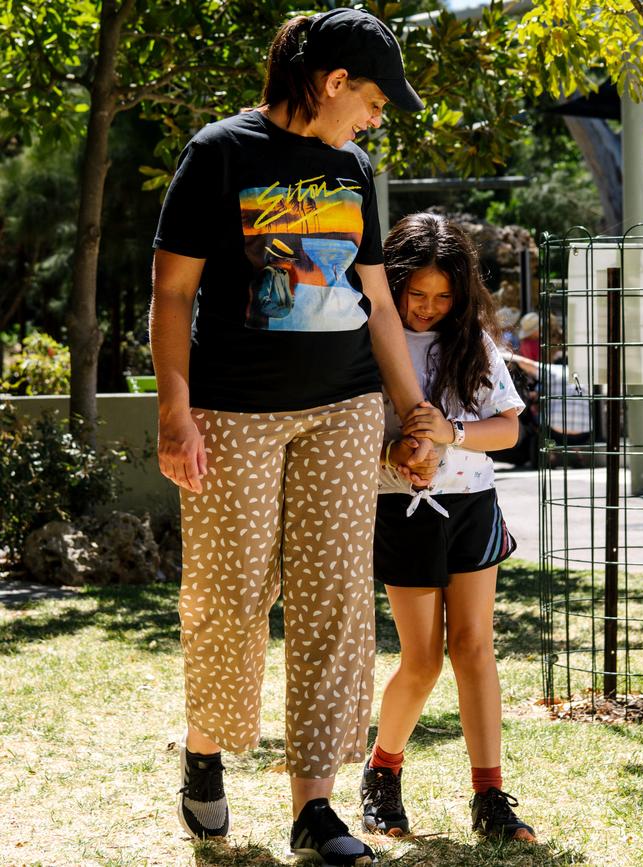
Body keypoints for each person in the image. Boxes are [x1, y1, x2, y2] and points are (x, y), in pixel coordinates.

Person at [150, 9, 435, 866]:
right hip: (235, 409)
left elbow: (377, 302)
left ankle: (314, 805)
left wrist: (412, 409)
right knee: (231, 593)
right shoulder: (219, 153)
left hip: (341, 408)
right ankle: (207, 747)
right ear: (334, 82)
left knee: (335, 600)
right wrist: (174, 408)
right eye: (376, 100)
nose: (379, 120)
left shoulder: (355, 168)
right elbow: (172, 295)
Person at [359, 212, 537, 843]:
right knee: (424, 659)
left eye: (443, 297)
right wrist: (394, 457)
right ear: (392, 286)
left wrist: (453, 435)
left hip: (472, 510)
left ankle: (490, 797)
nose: (429, 308)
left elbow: (509, 429)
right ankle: (382, 774)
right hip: (401, 511)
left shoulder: (474, 342)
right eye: (417, 295)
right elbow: (354, 433)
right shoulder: (370, 337)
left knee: (474, 647)